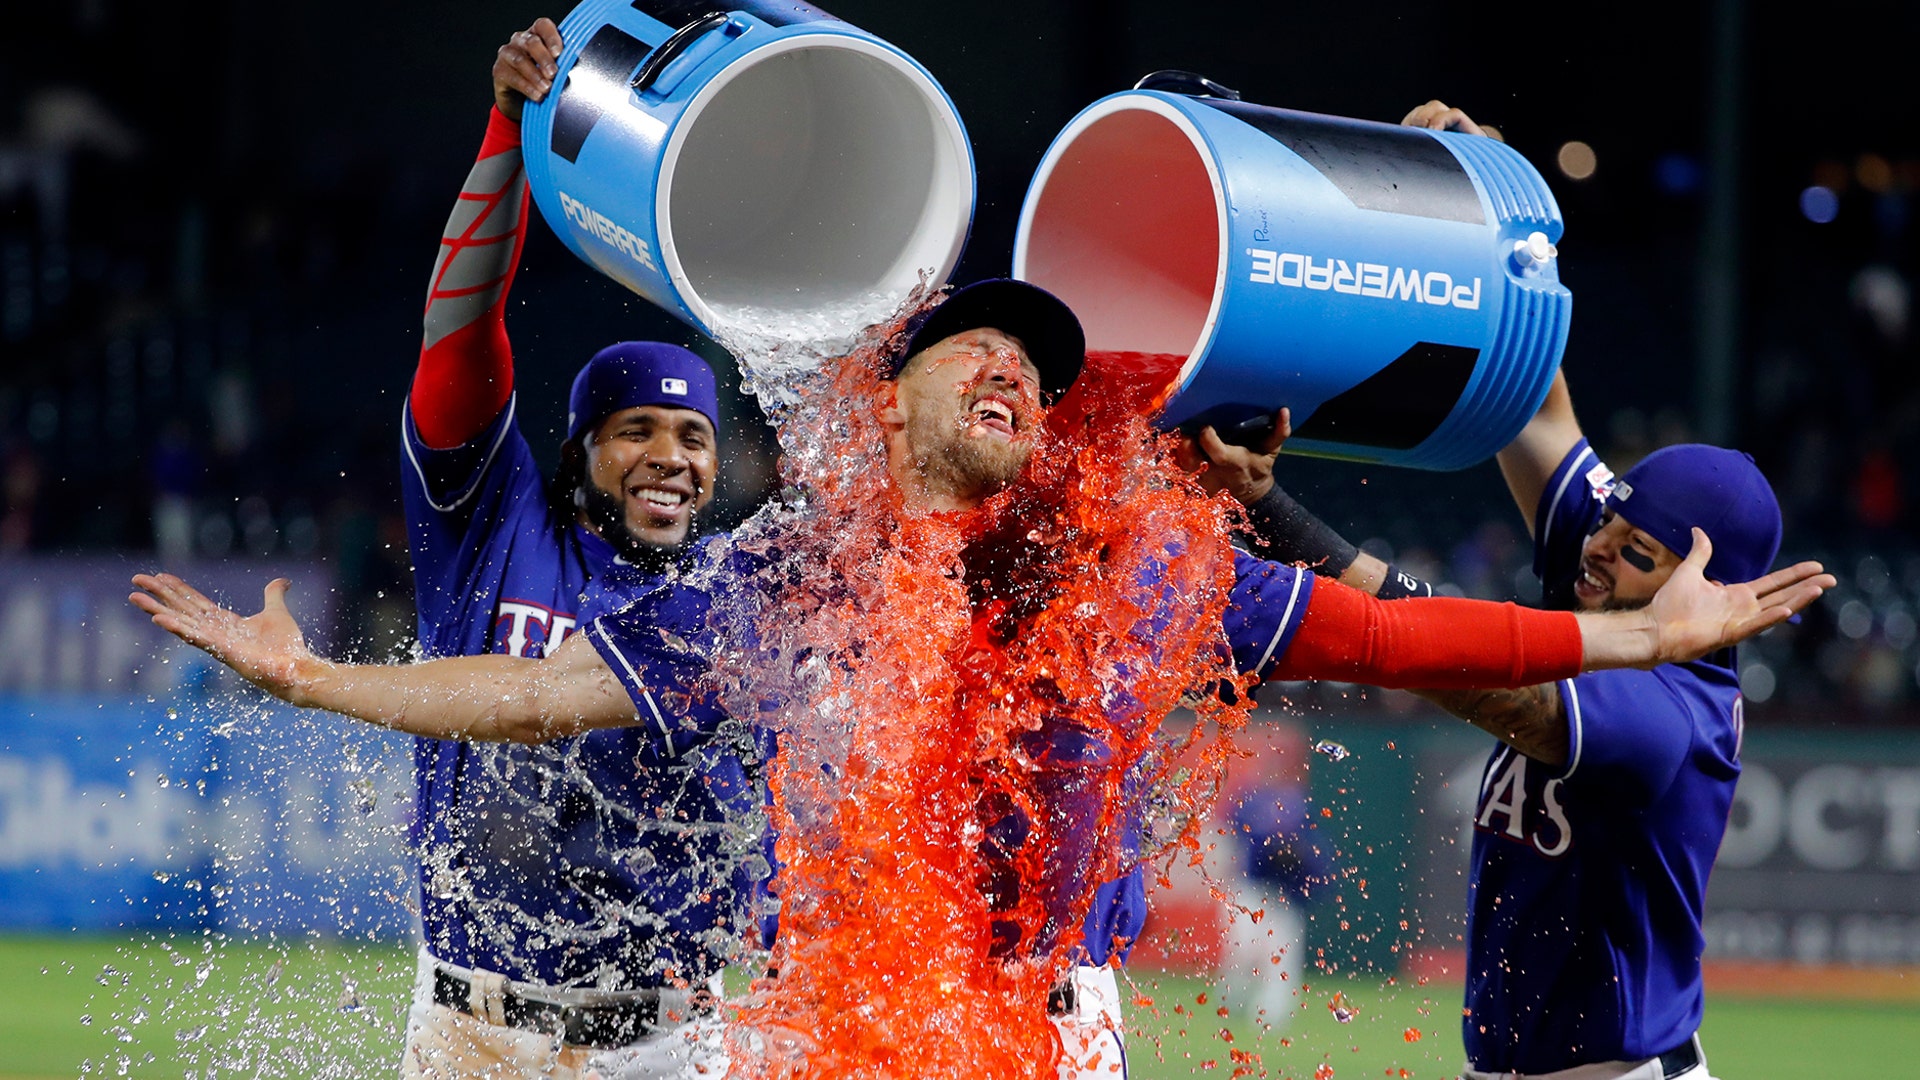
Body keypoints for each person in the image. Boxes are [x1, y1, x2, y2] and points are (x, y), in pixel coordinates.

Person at [133, 279, 1831, 1079]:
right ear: (893, 396)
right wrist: (323, 685)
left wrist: (1634, 639)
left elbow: (1394, 638)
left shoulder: (1147, 566)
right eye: (983, 347)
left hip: (1038, 1034)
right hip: (814, 1039)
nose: (1020, 369)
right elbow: (549, 692)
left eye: (1042, 361)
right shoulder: (799, 571)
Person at [1176, 98, 1801, 1076]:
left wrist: (1286, 524)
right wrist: (1493, 221)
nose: (1595, 549)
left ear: (1699, 585)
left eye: (1635, 550)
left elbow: (1471, 676)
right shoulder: (1610, 576)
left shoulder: (1672, 713)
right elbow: (1538, 403)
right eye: (1609, 521)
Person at [391, 17, 753, 1078]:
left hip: (671, 1039)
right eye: (635, 429)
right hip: (476, 1030)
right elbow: (460, 329)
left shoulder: (733, 590)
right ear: (583, 448)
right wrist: (507, 128)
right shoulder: (492, 528)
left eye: (694, 437)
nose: (669, 457)